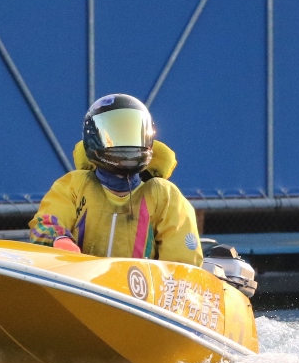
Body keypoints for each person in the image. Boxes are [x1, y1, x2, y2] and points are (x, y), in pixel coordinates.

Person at [29, 94, 203, 266]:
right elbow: (47, 222)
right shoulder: (74, 184)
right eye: (116, 135)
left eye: (131, 134)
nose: (125, 145)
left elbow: (183, 265)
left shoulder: (164, 194)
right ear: (93, 139)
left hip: (141, 284)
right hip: (77, 278)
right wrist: (59, 240)